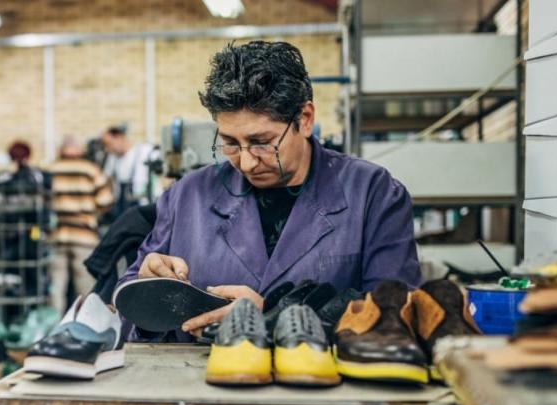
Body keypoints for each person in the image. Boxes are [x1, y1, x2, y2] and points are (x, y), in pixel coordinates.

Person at [118, 41, 421, 341]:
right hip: (202, 383)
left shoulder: (372, 193)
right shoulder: (186, 197)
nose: (247, 163)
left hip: (321, 384)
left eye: (263, 142)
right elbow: (126, 312)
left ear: (305, 119)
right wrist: (147, 294)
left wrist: (276, 316)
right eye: (231, 144)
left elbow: (398, 313)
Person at [49, 135, 113, 314]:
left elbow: (44, 203)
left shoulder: (51, 170)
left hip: (57, 236)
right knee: (85, 286)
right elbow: (106, 200)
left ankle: (54, 328)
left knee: (56, 286)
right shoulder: (91, 170)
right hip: (84, 235)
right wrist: (91, 212)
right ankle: (86, 327)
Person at [101, 124, 158, 221]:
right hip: (122, 209)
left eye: (109, 144)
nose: (107, 149)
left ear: (119, 137)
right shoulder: (113, 158)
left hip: (145, 207)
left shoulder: (144, 151)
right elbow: (106, 179)